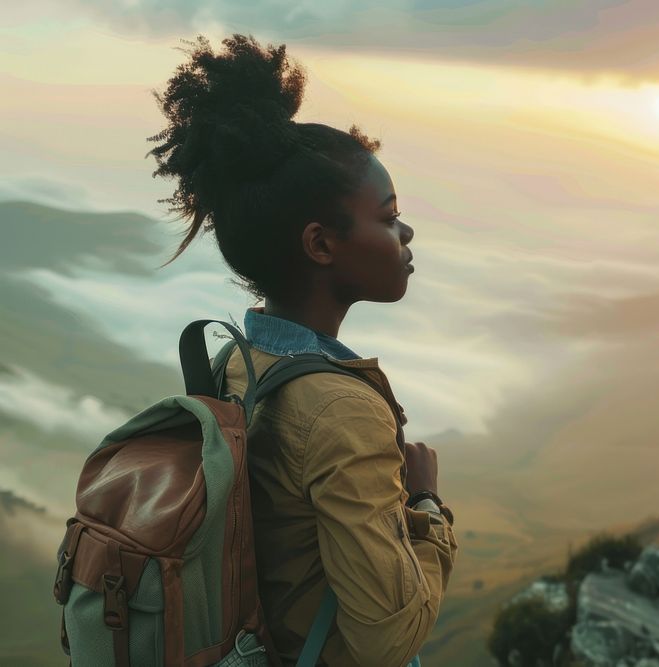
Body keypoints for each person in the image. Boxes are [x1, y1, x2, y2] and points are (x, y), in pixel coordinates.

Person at [147, 33, 458, 666]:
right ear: (321, 245)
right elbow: (386, 640)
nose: (406, 231)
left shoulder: (236, 362)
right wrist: (427, 507)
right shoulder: (341, 410)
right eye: (388, 216)